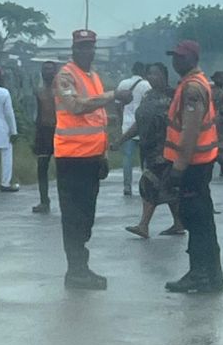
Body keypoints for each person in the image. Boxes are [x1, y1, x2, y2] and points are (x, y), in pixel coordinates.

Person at [53, 30, 116, 290]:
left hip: (91, 157)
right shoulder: (65, 76)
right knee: (74, 216)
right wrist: (113, 96)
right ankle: (76, 270)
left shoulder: (93, 77)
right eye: (81, 47)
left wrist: (104, 154)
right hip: (71, 157)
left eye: (89, 47)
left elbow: (98, 119)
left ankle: (81, 266)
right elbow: (76, 107)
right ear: (73, 49)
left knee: (87, 216)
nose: (85, 51)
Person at [162, 40, 223, 293]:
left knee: (196, 221)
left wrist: (178, 167)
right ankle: (212, 275)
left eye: (181, 57)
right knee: (204, 221)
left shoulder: (192, 89)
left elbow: (189, 131)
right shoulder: (196, 82)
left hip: (193, 165)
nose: (175, 61)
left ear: (192, 59)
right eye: (174, 56)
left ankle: (200, 274)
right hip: (201, 162)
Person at [117, 62, 185, 239]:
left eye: (155, 73)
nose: (151, 77)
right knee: (168, 187)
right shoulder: (148, 96)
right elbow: (139, 123)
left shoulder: (174, 96)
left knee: (149, 184)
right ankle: (178, 223)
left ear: (164, 75)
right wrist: (120, 140)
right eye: (149, 74)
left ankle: (143, 225)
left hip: (167, 151)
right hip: (148, 149)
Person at [115, 62, 151, 197]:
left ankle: (127, 187)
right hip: (142, 126)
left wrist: (121, 121)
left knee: (127, 157)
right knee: (145, 158)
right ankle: (147, 185)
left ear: (132, 70)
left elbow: (117, 105)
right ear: (143, 71)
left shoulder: (123, 84)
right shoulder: (146, 85)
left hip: (127, 125)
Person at [32, 61, 59, 214]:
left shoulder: (61, 92)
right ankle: (44, 200)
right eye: (44, 70)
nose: (47, 72)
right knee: (42, 168)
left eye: (50, 70)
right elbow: (37, 115)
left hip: (59, 132)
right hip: (43, 132)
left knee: (63, 168)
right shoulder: (39, 92)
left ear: (55, 72)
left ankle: (66, 200)